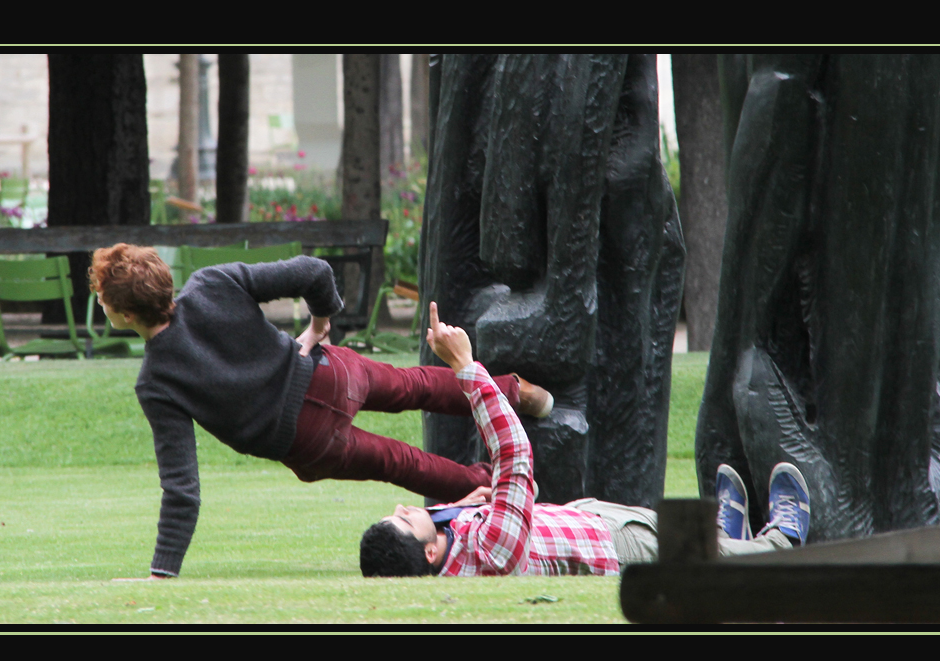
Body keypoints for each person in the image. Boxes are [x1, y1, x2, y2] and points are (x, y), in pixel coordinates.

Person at [89, 244, 555, 580]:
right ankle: (516, 391)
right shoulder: (211, 283)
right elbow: (313, 271)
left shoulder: (156, 382)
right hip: (326, 373)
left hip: (308, 441)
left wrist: (161, 573)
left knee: (405, 464)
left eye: (103, 299)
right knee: (415, 385)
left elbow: (182, 489)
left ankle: (500, 494)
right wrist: (319, 322)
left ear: (124, 314)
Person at [359, 305, 812, 576]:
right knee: (695, 559)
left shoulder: (452, 547)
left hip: (583, 519)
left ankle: (726, 536)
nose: (403, 508)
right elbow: (514, 453)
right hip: (612, 548)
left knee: (688, 537)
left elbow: (500, 504)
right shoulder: (491, 555)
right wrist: (466, 368)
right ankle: (781, 546)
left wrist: (480, 504)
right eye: (404, 521)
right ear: (430, 552)